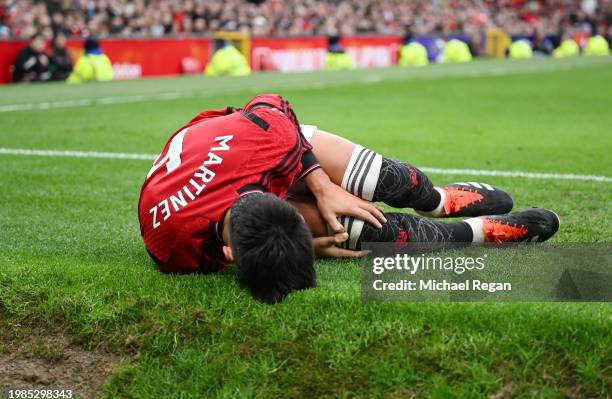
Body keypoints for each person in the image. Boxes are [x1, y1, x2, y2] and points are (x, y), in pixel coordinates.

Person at [138, 94, 560, 303]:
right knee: (367, 233)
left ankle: (435, 199)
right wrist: (313, 246)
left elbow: (272, 104)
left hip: (254, 140)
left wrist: (320, 186)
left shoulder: (259, 143)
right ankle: (483, 233)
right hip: (226, 170)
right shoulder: (174, 248)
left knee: (390, 181)